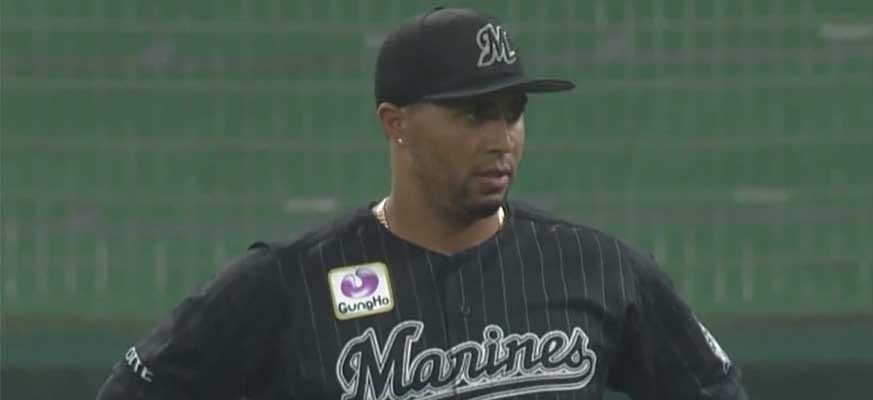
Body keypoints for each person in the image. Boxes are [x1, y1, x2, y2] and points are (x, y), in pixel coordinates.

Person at [96, 6, 748, 400]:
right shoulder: (291, 281)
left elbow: (713, 387)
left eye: (513, 112)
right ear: (396, 122)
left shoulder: (598, 270)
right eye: (473, 115)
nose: (501, 139)